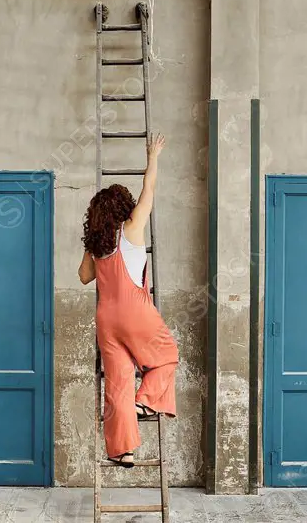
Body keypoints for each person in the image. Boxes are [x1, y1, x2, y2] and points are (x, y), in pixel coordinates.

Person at [78, 133, 178, 468]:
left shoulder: (98, 245)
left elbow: (84, 276)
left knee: (118, 382)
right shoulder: (131, 231)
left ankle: (123, 450)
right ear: (124, 208)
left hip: (106, 320)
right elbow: (149, 190)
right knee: (167, 356)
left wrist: (91, 239)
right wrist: (153, 157)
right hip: (135, 313)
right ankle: (147, 401)